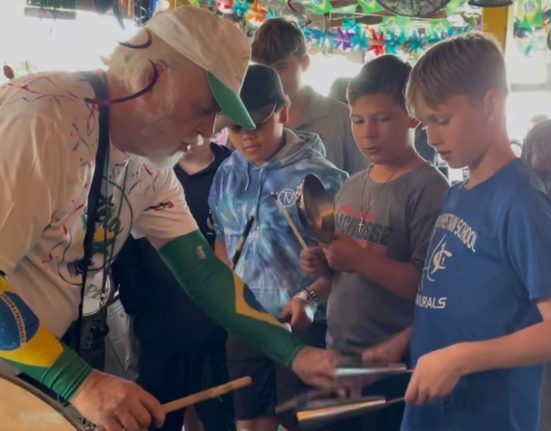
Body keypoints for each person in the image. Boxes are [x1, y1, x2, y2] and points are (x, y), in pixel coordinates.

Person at [0, 7, 337, 431]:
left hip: (37, 373)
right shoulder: (44, 122)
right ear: (150, 78)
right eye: (202, 109)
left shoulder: (150, 164)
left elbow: (204, 274)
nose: (207, 131)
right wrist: (82, 384)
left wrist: (294, 353)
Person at [402, 33, 551, 431]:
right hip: (435, 411)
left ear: (491, 103)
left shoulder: (520, 202)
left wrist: (458, 358)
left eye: (442, 119)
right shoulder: (457, 195)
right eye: (426, 122)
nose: (431, 137)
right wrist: (406, 339)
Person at [298, 55, 448, 430]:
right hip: (339, 357)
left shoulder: (429, 189)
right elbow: (340, 276)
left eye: (382, 119)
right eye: (358, 120)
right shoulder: (351, 184)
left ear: (413, 116)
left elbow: (431, 288)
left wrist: (360, 260)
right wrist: (324, 269)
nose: (368, 133)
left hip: (392, 364)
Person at [209, 64, 348, 431]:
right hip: (245, 324)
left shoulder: (324, 178)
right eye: (237, 128)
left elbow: (344, 267)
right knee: (250, 421)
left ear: (283, 112)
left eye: (258, 123)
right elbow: (222, 241)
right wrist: (227, 299)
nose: (247, 137)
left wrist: (310, 298)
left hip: (303, 326)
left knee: (299, 424)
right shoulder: (227, 173)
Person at [112, 139, 235, 431]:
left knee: (221, 420)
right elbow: (123, 244)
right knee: (158, 418)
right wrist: (137, 300)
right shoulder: (145, 172)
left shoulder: (235, 171)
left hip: (219, 335)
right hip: (159, 330)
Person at [251, 18, 366, 175]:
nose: (272, 78)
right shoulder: (247, 121)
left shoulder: (342, 118)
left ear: (305, 63)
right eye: (265, 69)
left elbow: (362, 183)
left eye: (281, 67)